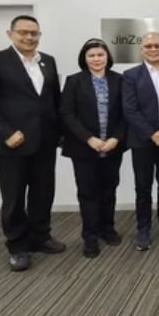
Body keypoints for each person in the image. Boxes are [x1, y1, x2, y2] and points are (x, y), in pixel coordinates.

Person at [0, 14, 66, 271]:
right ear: (10, 34)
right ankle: (17, 246)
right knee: (14, 197)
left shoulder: (47, 62)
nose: (29, 37)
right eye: (23, 32)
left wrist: (60, 133)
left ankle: (40, 236)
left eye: (34, 33)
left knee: (42, 192)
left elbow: (54, 102)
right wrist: (6, 132)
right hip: (11, 144)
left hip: (45, 142)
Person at [60, 39, 126, 258]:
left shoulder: (119, 80)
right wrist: (89, 139)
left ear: (107, 57)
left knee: (109, 190)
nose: (97, 59)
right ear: (84, 59)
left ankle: (107, 228)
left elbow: (126, 113)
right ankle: (90, 236)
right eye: (92, 56)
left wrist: (116, 138)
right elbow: (67, 114)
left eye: (100, 55)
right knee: (88, 192)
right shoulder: (74, 81)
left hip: (112, 147)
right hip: (84, 148)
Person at [122, 32, 159, 252]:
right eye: (149, 46)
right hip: (142, 141)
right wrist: (151, 134)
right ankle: (143, 229)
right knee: (143, 187)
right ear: (142, 49)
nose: (153, 49)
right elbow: (129, 109)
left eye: (158, 45)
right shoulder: (130, 75)